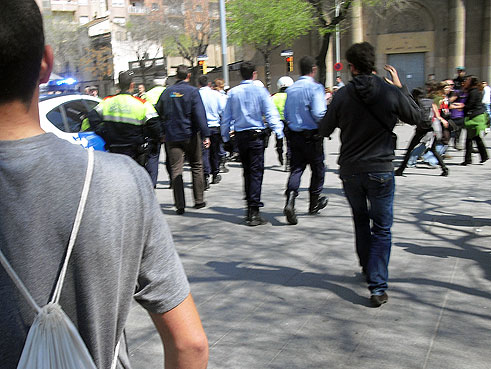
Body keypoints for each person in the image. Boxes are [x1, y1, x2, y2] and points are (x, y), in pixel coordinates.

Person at [0, 1, 208, 368]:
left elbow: (89, 125)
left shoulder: (106, 104)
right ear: (45, 63)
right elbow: (190, 345)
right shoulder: (124, 180)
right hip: (118, 169)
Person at [319, 43, 421, 307]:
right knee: (382, 228)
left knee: (361, 221)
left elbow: (324, 128)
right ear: (373, 63)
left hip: (351, 169)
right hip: (381, 169)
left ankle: (368, 268)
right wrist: (401, 88)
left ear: (351, 67)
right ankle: (377, 286)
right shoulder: (389, 91)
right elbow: (416, 117)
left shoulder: (342, 95)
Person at [221, 61, 284, 226]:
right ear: (254, 74)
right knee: (256, 173)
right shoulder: (260, 91)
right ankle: (254, 210)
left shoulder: (233, 93)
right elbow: (270, 113)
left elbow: (226, 118)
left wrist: (226, 138)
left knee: (247, 172)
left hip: (241, 137)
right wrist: (279, 132)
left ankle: (250, 206)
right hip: (256, 136)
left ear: (240, 74)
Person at [155, 65, 210, 214]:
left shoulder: (167, 93)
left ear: (176, 76)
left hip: (172, 136)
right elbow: (199, 114)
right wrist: (205, 134)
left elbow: (157, 113)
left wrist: (162, 132)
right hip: (190, 135)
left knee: (176, 169)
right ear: (189, 76)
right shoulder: (193, 92)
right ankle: (199, 200)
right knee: (197, 165)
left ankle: (180, 204)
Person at [283, 56, 328, 225]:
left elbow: (286, 115)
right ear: (314, 69)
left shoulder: (291, 90)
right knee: (317, 169)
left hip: (295, 136)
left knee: (296, 169)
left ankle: (290, 200)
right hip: (312, 137)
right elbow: (318, 114)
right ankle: (314, 203)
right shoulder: (315, 88)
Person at [87, 70, 161, 172]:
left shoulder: (107, 102)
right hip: (135, 152)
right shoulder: (142, 104)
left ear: (118, 85)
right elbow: (156, 127)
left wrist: (103, 132)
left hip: (114, 150)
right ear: (132, 85)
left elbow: (92, 117)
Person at [198, 75, 226, 188]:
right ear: (209, 84)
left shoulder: (196, 94)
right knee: (215, 152)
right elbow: (223, 110)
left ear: (199, 84)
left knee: (204, 152)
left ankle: (205, 175)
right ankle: (215, 173)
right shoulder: (217, 95)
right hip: (215, 126)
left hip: (201, 127)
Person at [142, 75, 169, 188]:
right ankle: (173, 180)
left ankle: (152, 183)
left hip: (152, 128)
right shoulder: (168, 92)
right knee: (171, 155)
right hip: (167, 127)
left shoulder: (146, 95)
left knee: (153, 157)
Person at [461, 75, 489, 165]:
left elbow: (470, 105)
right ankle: (483, 156)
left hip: (475, 117)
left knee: (470, 138)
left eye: (467, 80)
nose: (465, 81)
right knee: (474, 138)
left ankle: (468, 159)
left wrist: (461, 108)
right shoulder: (475, 91)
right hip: (477, 116)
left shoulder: (473, 92)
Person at [272, 76, 294, 169]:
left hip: (278, 122)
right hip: (289, 121)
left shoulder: (274, 97)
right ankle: (288, 162)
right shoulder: (291, 96)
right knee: (289, 143)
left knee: (279, 141)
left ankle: (280, 153)